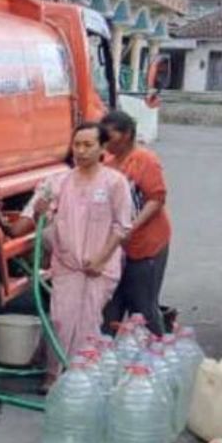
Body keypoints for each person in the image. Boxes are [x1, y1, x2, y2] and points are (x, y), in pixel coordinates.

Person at [26, 123, 133, 389]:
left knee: (88, 321)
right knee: (61, 319)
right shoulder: (59, 182)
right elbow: (42, 219)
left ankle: (81, 377)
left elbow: (122, 227)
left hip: (100, 267)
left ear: (102, 149)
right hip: (67, 264)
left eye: (88, 145)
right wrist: (39, 210)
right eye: (77, 145)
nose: (81, 151)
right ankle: (53, 375)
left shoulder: (114, 183)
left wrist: (100, 259)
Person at [100, 110, 172, 336]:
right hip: (118, 248)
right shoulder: (109, 163)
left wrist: (131, 226)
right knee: (111, 306)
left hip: (147, 244)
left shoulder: (145, 160)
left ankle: (159, 352)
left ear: (127, 135)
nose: (105, 144)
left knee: (143, 306)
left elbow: (156, 199)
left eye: (109, 138)